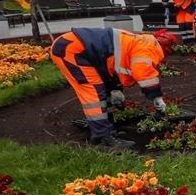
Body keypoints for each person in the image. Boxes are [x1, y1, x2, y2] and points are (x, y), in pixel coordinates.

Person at [49, 28, 178, 149]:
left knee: (102, 89)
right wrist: (156, 97)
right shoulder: (148, 48)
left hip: (78, 48)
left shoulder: (140, 42)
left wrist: (115, 89)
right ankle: (103, 136)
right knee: (94, 95)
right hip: (72, 50)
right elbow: (143, 73)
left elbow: (112, 64)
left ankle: (108, 129)